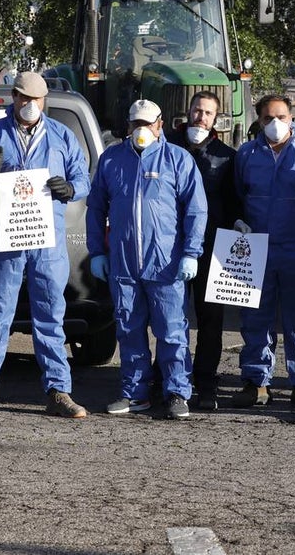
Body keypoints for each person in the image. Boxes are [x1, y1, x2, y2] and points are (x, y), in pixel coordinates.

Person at [0, 72, 90, 421]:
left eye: (34, 98)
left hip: (47, 241)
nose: (28, 104)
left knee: (51, 316)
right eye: (22, 97)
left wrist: (70, 189)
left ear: (44, 99)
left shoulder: (62, 135)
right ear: (14, 96)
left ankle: (58, 391)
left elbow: (83, 178)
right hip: (5, 239)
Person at [88, 99, 207, 419]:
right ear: (128, 126)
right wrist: (97, 251)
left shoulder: (178, 159)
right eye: (135, 124)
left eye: (147, 124)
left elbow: (196, 210)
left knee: (171, 331)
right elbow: (96, 207)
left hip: (165, 263)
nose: (141, 130)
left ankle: (177, 392)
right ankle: (134, 392)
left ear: (160, 125)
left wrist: (191, 253)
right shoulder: (112, 159)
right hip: (124, 263)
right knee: (129, 329)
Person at [230, 94, 295, 408]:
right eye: (268, 118)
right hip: (256, 247)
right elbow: (240, 193)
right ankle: (256, 382)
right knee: (255, 318)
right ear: (259, 120)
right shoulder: (246, 155)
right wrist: (240, 220)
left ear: (292, 117)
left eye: (281, 116)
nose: (275, 124)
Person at [162, 91, 240, 410]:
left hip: (212, 247)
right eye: (197, 111)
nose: (201, 118)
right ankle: (169, 378)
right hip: (169, 246)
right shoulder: (165, 147)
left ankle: (206, 382)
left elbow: (234, 199)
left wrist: (239, 224)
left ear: (216, 119)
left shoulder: (226, 155)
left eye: (208, 113)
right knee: (169, 316)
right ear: (187, 112)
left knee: (210, 319)